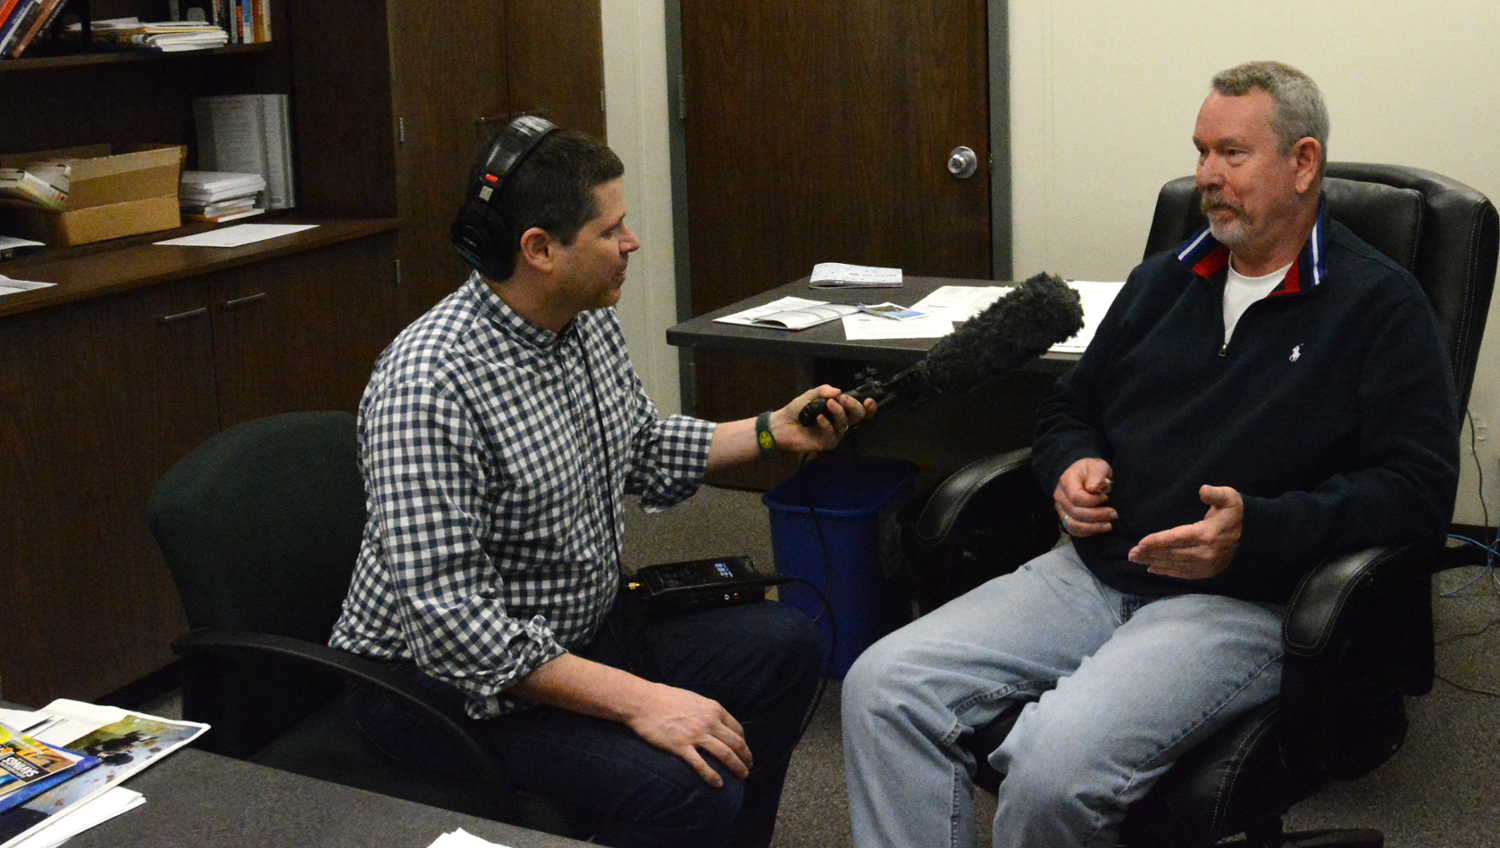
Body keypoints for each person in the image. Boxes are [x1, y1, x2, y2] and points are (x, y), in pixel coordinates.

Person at [841, 60, 1459, 848]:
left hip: (1238, 599)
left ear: (1303, 163)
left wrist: (1259, 529)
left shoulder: (1380, 306)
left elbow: (1417, 491)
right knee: (882, 687)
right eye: (1201, 152)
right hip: (1093, 570)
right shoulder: (1163, 282)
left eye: (1232, 154)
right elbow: (1071, 407)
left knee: (1052, 768)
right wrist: (1069, 464)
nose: (1206, 176)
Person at [330, 117, 874, 848]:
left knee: (785, 647)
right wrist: (641, 701)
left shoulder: (580, 321)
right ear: (539, 250)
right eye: (610, 230)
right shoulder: (428, 384)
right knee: (691, 787)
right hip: (439, 691)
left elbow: (640, 447)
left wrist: (773, 430)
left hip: (574, 632)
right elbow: (454, 627)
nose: (632, 243)